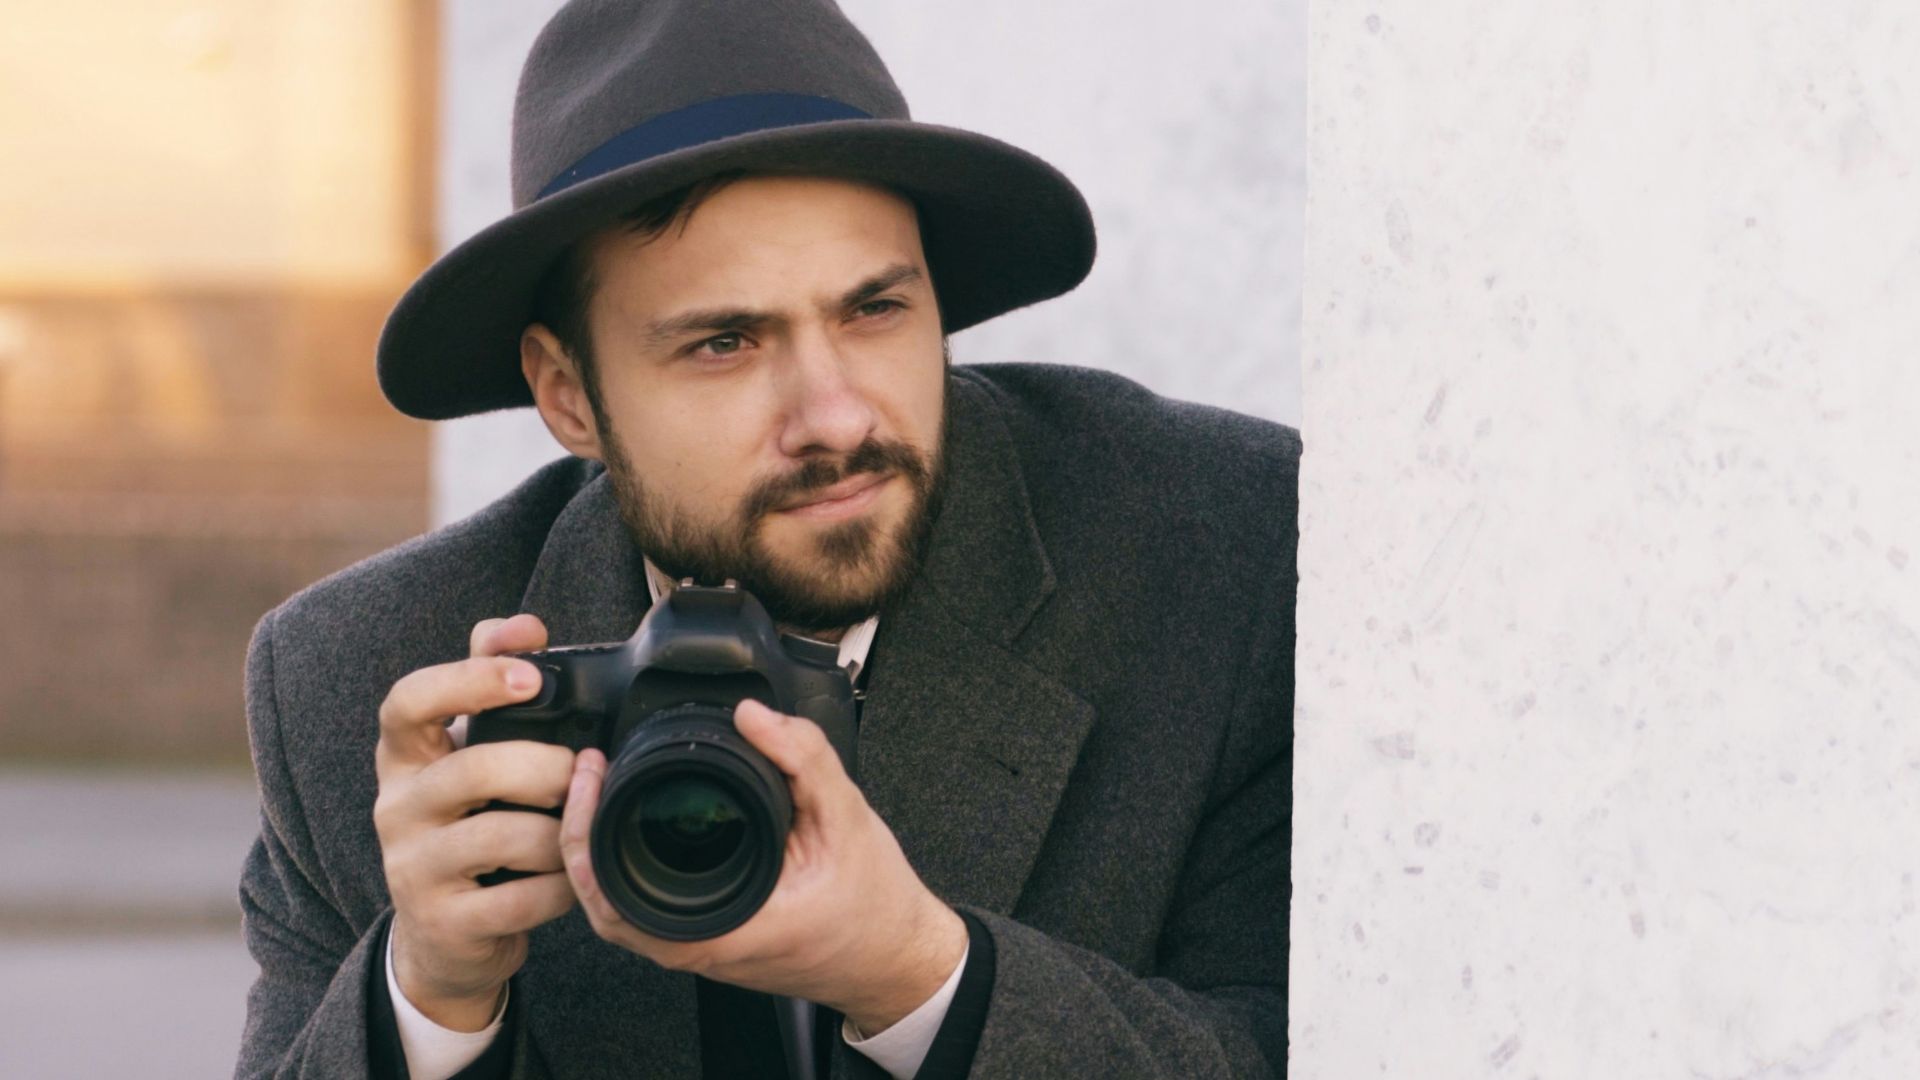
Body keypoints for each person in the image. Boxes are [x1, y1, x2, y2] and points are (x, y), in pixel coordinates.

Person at [234, 1, 1295, 1077]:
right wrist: (429, 1003)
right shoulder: (357, 680)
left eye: (874, 310)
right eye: (726, 343)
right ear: (569, 397)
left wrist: (923, 976)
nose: (835, 416)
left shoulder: (1224, 565)